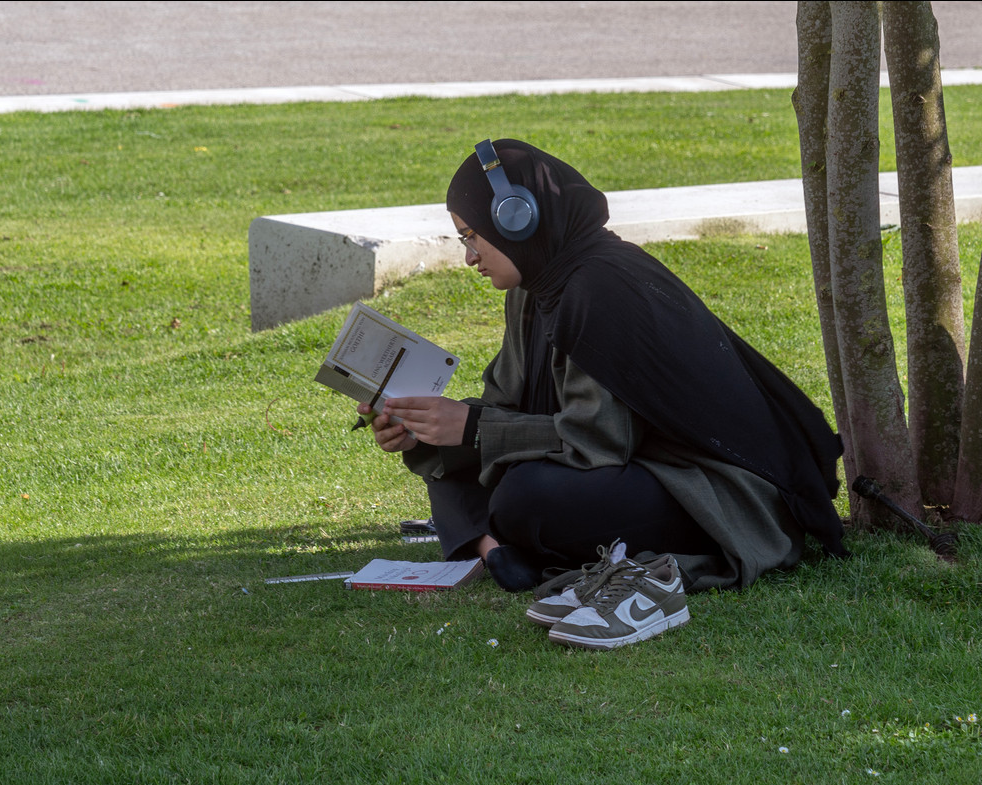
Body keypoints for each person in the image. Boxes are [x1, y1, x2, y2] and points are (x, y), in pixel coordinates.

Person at [358, 139, 848, 603]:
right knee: (460, 460)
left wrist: (471, 429)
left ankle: (495, 539)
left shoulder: (600, 289)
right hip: (620, 463)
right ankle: (495, 549)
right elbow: (505, 409)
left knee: (526, 496)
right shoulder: (535, 287)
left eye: (472, 237)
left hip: (708, 489)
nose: (469, 257)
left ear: (516, 220)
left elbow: (600, 443)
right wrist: (425, 428)